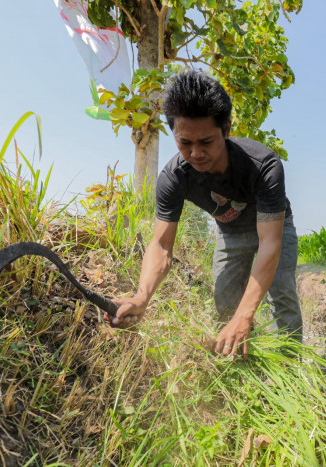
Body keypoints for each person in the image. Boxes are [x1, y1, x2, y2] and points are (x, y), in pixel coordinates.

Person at [104, 69, 302, 360]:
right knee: (225, 304)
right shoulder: (173, 178)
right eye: (185, 143)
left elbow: (270, 244)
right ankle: (247, 370)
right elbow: (161, 245)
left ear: (226, 130)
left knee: (281, 295)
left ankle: (290, 369)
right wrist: (142, 296)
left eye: (206, 142)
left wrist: (244, 316)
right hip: (230, 232)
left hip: (274, 229)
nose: (195, 153)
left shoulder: (263, 165)